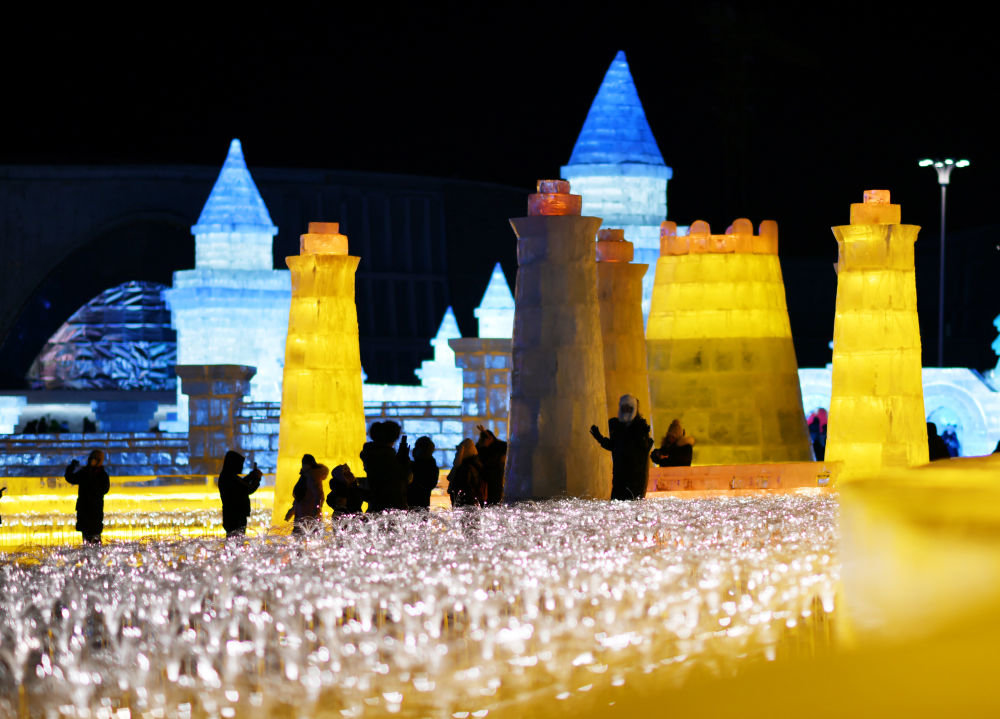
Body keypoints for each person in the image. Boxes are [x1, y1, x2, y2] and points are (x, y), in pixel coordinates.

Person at [590, 394, 654, 501]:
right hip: (620, 478)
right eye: (624, 408)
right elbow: (614, 446)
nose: (626, 411)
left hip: (635, 480)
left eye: (629, 408)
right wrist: (599, 438)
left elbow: (641, 452)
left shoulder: (640, 427)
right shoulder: (617, 426)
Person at [360, 421, 410, 512]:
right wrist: (404, 461)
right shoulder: (386, 456)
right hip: (390, 507)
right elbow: (403, 478)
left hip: (377, 505)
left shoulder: (372, 453)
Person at [65, 449, 111, 544]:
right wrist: (72, 467)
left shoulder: (101, 475)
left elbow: (105, 489)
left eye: (95, 459)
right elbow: (70, 478)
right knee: (87, 538)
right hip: (86, 511)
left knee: (94, 538)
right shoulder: (86, 472)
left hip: (94, 511)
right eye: (92, 458)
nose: (92, 461)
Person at [218, 450, 263, 538]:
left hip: (231, 515)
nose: (242, 466)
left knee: (233, 541)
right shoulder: (230, 478)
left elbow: (242, 484)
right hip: (236, 516)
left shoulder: (227, 476)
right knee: (237, 541)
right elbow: (247, 489)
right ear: (233, 464)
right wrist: (257, 479)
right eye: (240, 463)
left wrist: (251, 476)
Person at [284, 454, 329, 533]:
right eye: (303, 462)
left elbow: (318, 495)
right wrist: (292, 511)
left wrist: (316, 510)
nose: (303, 465)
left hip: (308, 513)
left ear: (310, 464)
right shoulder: (305, 476)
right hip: (302, 512)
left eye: (305, 463)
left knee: (307, 534)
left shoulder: (311, 477)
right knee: (302, 535)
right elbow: (299, 497)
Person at [475, 425, 508, 505]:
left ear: (490, 438)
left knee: (494, 500)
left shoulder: (498, 447)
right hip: (486, 480)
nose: (483, 442)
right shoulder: (482, 448)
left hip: (495, 479)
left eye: (485, 439)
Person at [448, 438, 485, 507]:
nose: (457, 454)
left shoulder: (466, 467)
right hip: (468, 500)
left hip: (466, 502)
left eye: (459, 451)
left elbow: (465, 486)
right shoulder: (473, 464)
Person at [407, 437, 439, 509]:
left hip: (418, 504)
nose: (414, 450)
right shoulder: (432, 466)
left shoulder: (421, 467)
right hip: (422, 505)